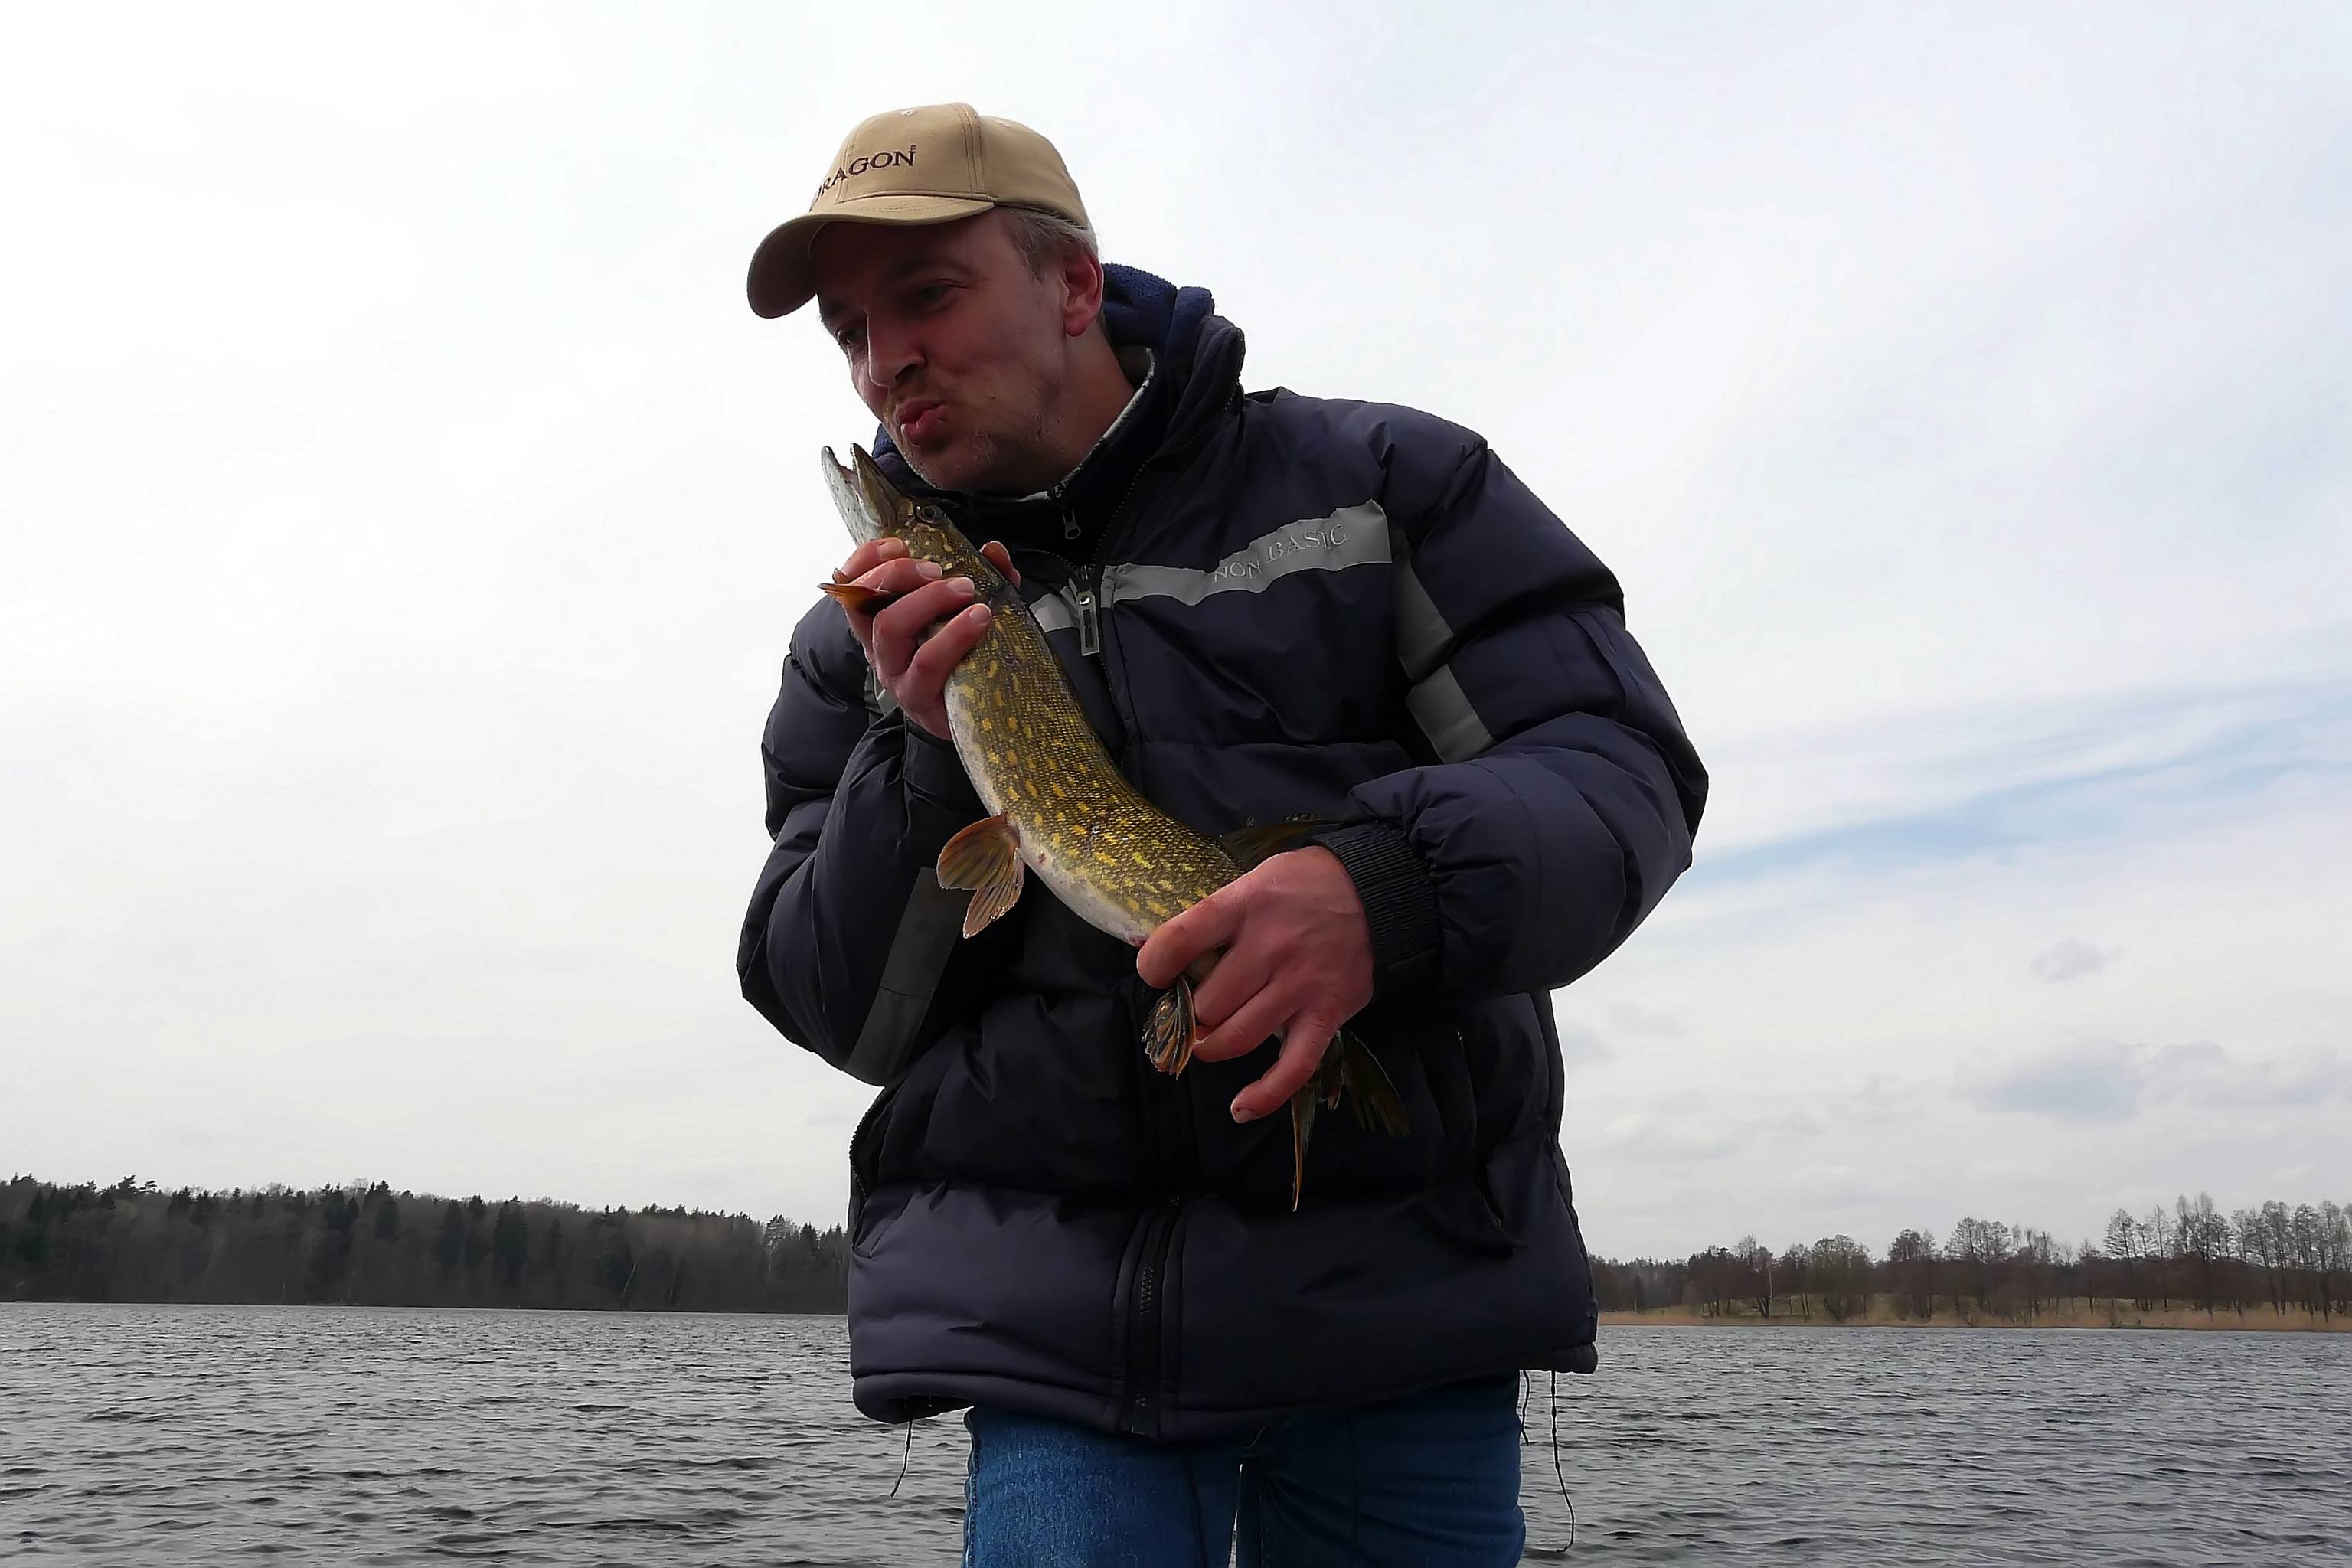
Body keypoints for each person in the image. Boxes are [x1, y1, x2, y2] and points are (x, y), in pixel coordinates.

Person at [737, 103, 1707, 1567]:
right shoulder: (857, 648)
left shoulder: (1386, 486)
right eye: (852, 332)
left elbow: (1617, 767)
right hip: (1056, 1348)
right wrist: (927, 757)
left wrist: (1386, 890)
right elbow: (839, 1006)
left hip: (1402, 1309)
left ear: (1074, 284)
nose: (886, 366)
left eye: (928, 295)